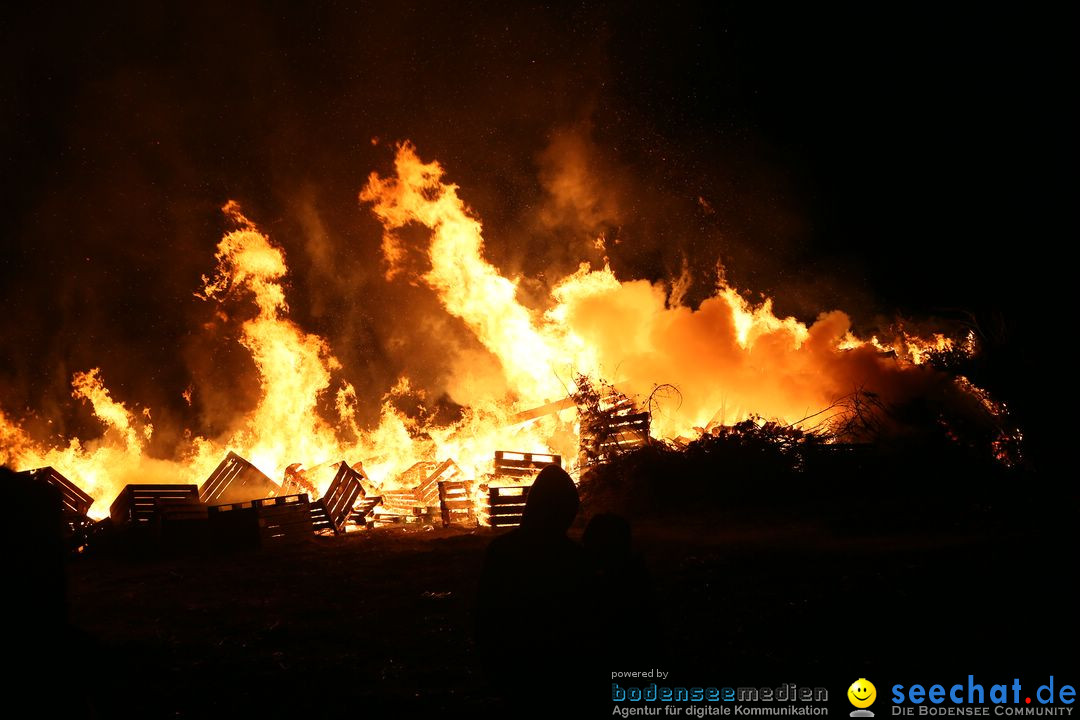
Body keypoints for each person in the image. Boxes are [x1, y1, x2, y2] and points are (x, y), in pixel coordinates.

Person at [474, 465, 592, 714]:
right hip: (562, 679)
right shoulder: (576, 560)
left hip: (513, 671)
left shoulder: (501, 551)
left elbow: (483, 617)